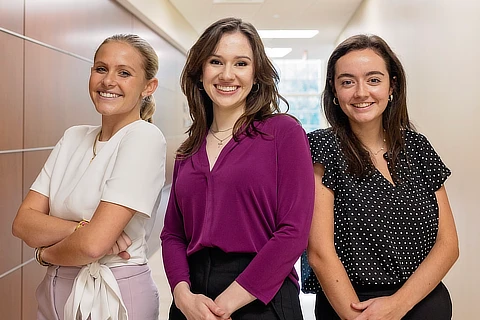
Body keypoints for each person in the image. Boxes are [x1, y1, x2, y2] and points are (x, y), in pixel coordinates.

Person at [160, 17, 315, 320]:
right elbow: (172, 235)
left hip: (261, 297)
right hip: (193, 300)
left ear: (257, 74)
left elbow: (294, 231)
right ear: (200, 72)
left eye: (241, 63)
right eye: (216, 61)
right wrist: (182, 295)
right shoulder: (188, 150)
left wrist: (225, 305)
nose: (227, 74)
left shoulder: (283, 132)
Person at [12, 34, 166, 320]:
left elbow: (93, 246)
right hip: (54, 292)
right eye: (101, 68)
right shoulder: (74, 137)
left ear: (148, 86)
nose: (108, 81)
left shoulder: (144, 138)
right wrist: (82, 227)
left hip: (114, 295)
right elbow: (23, 223)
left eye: (124, 73)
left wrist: (45, 254)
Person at [305, 34, 459, 319]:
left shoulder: (418, 146)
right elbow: (320, 252)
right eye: (347, 81)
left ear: (392, 86)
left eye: (374, 79)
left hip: (424, 302)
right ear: (334, 91)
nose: (361, 92)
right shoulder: (320, 148)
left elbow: (448, 244)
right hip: (351, 306)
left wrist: (399, 305)